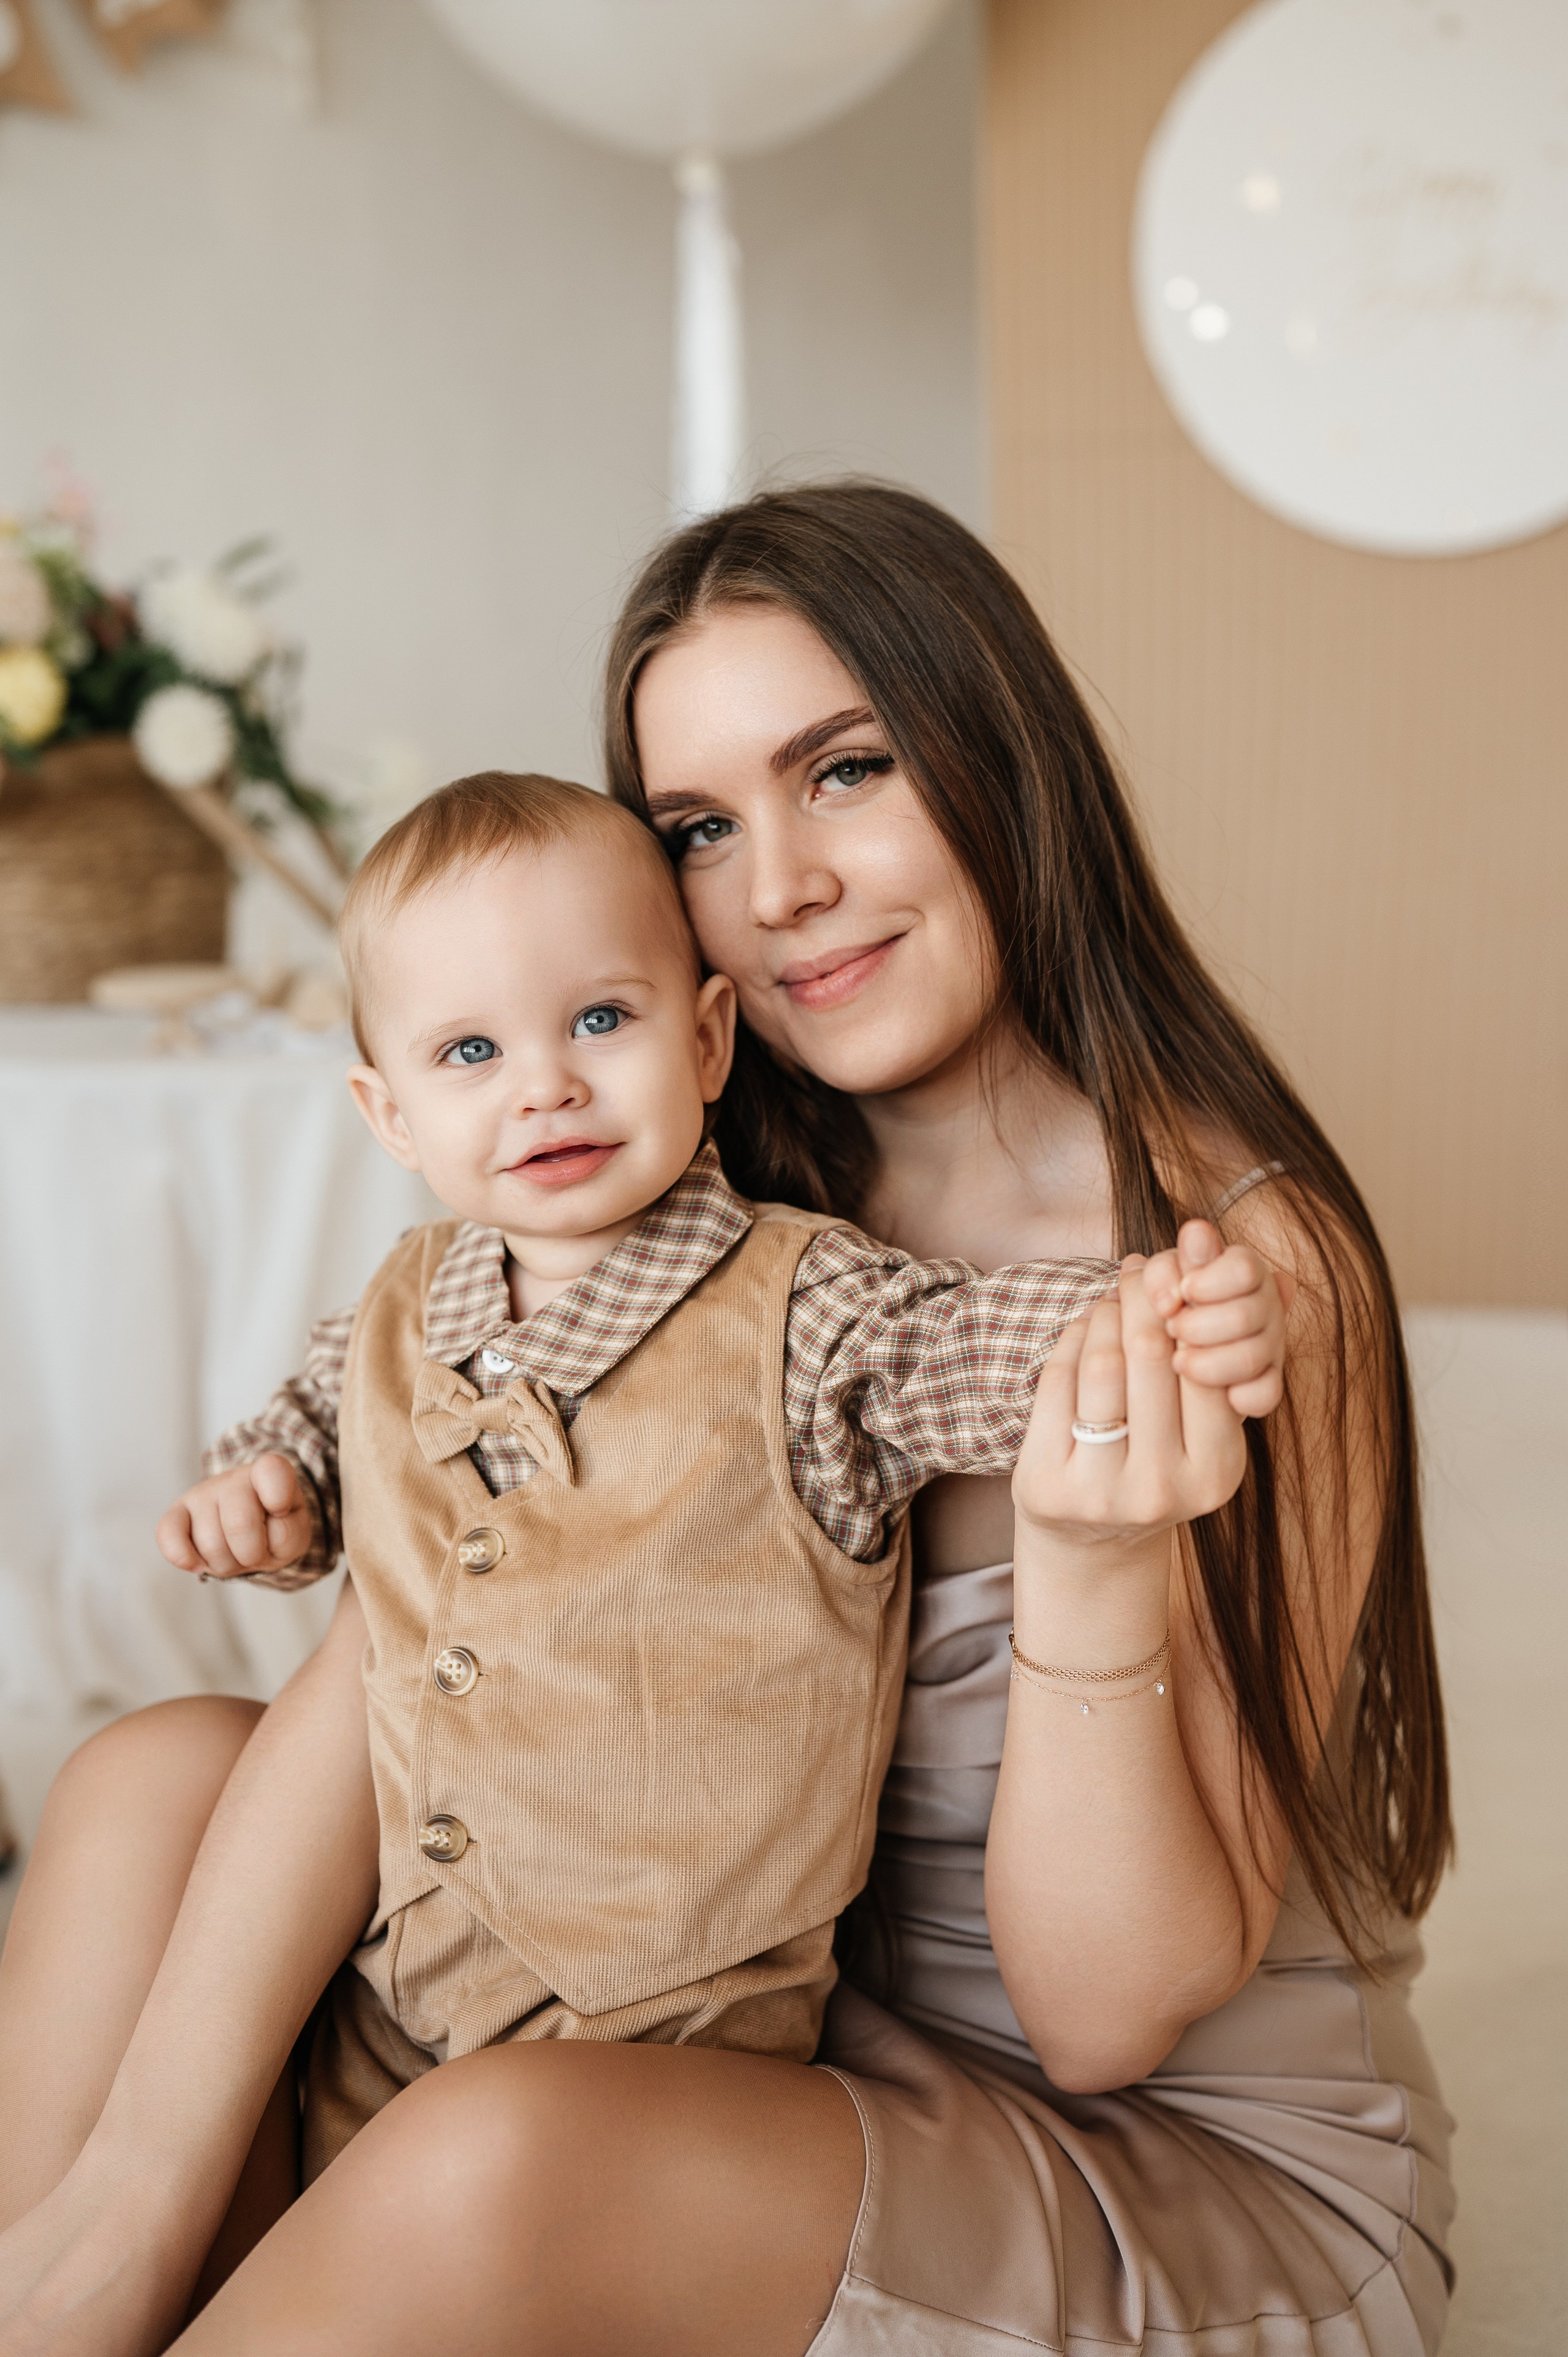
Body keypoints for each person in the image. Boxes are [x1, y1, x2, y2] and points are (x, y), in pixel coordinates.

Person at [0, 481, 1451, 2357]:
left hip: (1144, 2161)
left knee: (493, 2151)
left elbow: (1106, 2024)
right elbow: (415, 1659)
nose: (780, 888)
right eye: (700, 825)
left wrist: (1099, 1568)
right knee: (152, 1782)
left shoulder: (1232, 1269)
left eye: (845, 772)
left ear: (1000, 755)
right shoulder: (694, 1186)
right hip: (745, 2028)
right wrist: (128, 2195)